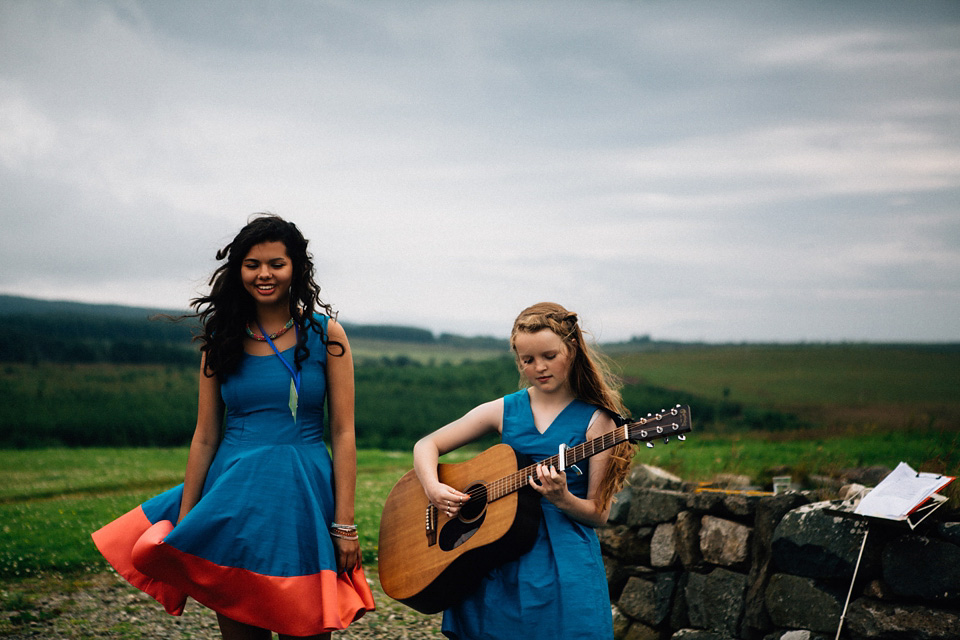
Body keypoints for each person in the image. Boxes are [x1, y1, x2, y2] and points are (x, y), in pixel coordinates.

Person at [92, 214, 375, 639]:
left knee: (309, 629)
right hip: (234, 504)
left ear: (296, 267)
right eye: (252, 264)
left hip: (305, 502)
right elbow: (205, 435)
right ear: (238, 269)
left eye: (276, 263)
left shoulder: (326, 335)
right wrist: (187, 520)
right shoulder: (220, 339)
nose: (264, 274)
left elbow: (343, 432)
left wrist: (345, 524)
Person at [412, 302, 635, 639]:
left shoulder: (598, 421)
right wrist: (432, 486)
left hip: (564, 563)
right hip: (495, 555)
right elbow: (426, 445)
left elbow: (599, 514)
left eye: (549, 355)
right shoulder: (506, 409)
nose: (539, 367)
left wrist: (562, 499)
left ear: (571, 349)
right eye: (527, 360)